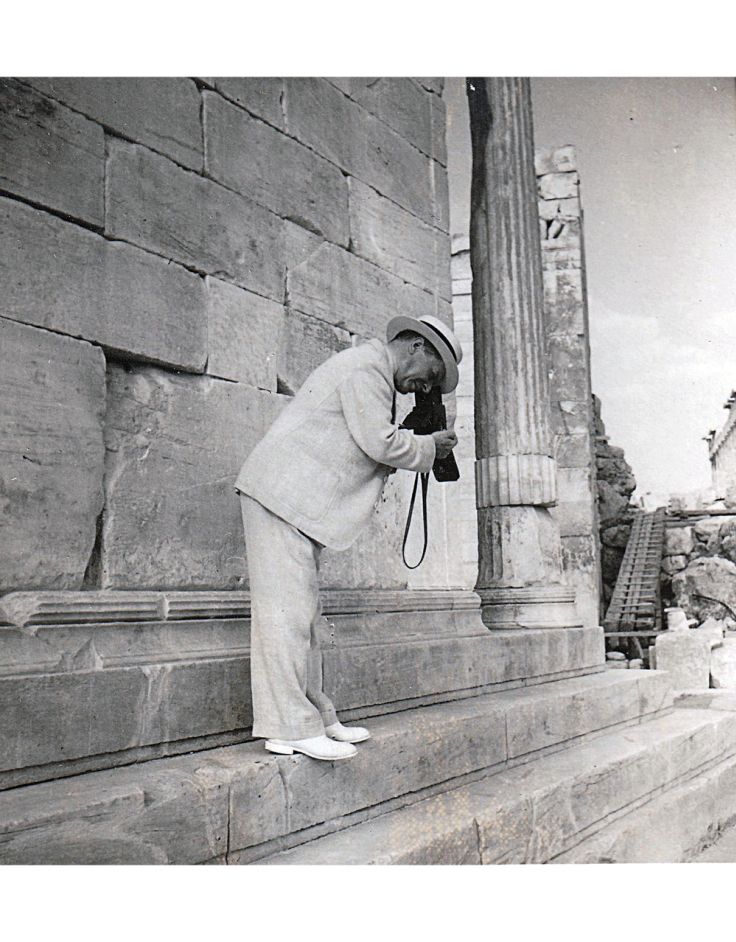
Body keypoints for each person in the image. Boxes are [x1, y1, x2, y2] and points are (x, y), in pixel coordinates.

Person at [235, 314, 462, 761]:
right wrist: (430, 448)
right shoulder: (366, 370)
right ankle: (289, 726)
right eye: (430, 375)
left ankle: (312, 717)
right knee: (285, 617)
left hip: (291, 500)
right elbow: (377, 443)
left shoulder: (370, 370)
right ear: (417, 346)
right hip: (281, 497)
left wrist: (420, 441)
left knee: (301, 615)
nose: (424, 387)